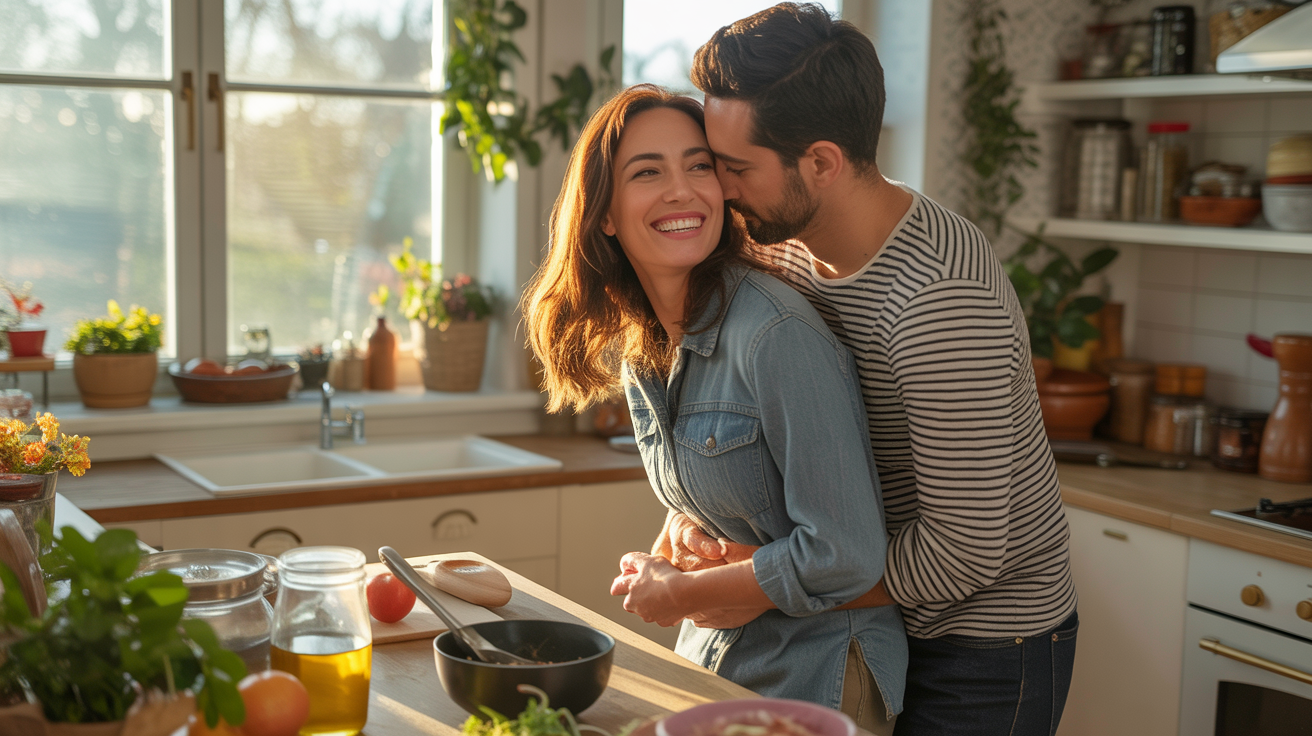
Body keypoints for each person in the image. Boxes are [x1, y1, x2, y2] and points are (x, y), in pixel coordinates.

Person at [655, 5, 1079, 736]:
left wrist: (763, 586)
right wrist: (695, 517)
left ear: (821, 161)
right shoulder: (787, 245)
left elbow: (964, 553)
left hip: (985, 641)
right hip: (880, 613)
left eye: (736, 168)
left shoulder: (939, 302)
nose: (719, 191)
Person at [521, 84, 907, 734]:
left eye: (699, 165)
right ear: (605, 213)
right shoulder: (644, 346)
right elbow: (719, 491)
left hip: (816, 675)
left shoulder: (775, 334)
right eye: (649, 172)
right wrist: (676, 544)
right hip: (717, 665)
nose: (682, 190)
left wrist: (683, 592)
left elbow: (845, 553)